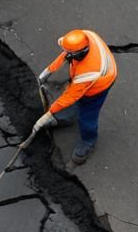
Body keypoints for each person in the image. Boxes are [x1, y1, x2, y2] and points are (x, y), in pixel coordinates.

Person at [32, 28, 118, 164]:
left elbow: (70, 97)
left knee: (87, 114)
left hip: (101, 83)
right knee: (73, 102)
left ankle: (88, 141)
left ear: (80, 54)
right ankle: (64, 118)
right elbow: (65, 56)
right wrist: (47, 72)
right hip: (97, 70)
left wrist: (49, 114)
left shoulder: (87, 73)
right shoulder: (85, 36)